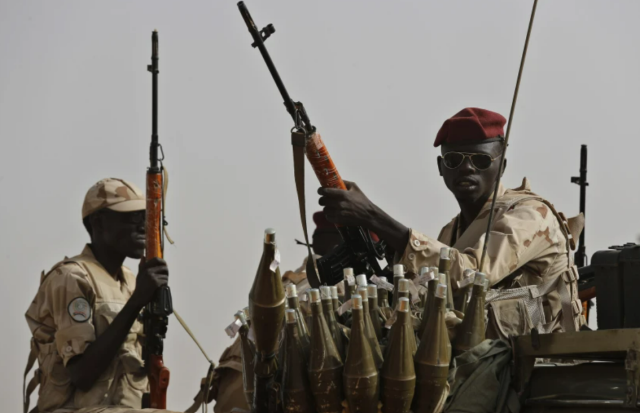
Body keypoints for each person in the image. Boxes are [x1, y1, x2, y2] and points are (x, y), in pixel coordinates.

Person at [317, 107, 584, 338]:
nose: (467, 169)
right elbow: (429, 291)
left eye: (480, 160)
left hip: (544, 364)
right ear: (440, 167)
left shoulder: (530, 215)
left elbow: (475, 274)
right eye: (454, 160)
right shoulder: (452, 232)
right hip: (485, 361)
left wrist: (373, 216)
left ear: (501, 167)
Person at [24, 178, 178, 413]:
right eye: (131, 217)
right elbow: (82, 375)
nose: (143, 226)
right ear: (98, 223)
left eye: (145, 218)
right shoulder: (72, 278)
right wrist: (137, 301)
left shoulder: (130, 281)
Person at [207, 212, 341, 413]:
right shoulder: (340, 289)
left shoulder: (288, 282)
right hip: (266, 395)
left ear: (314, 241)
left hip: (232, 390)